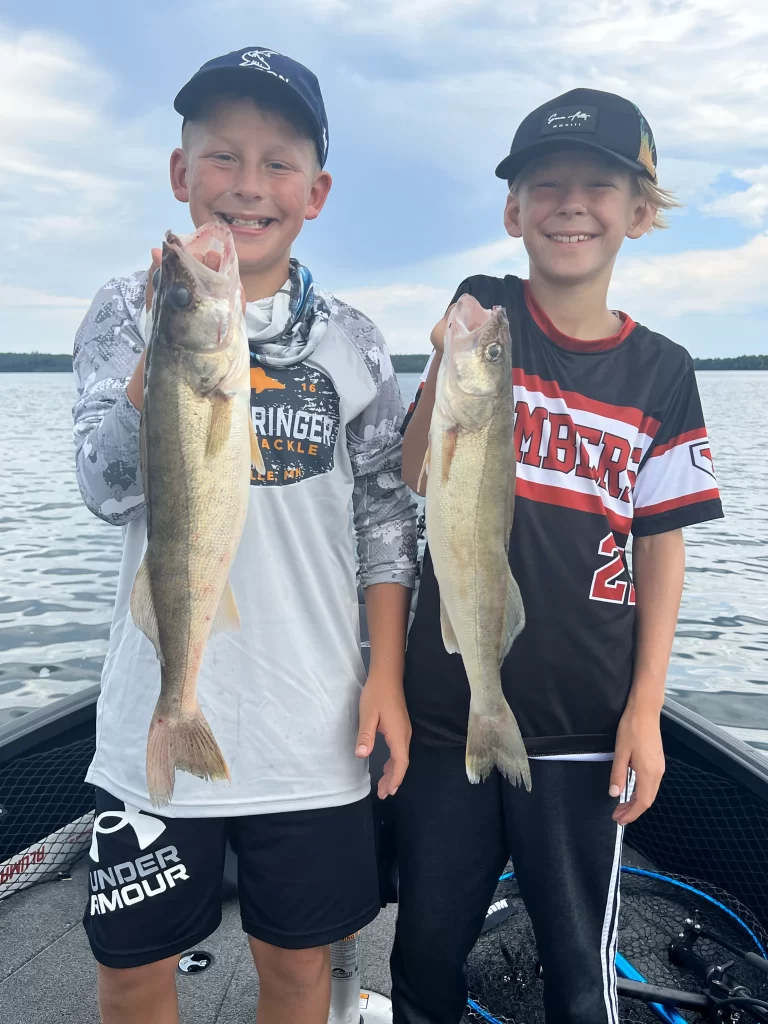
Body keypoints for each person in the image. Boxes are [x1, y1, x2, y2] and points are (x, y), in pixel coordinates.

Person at [72, 47, 417, 1024]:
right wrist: (164, 337)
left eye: (277, 162)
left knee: (300, 970)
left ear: (318, 189)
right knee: (133, 969)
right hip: (157, 713)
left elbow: (387, 518)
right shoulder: (121, 311)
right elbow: (103, 487)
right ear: (182, 175)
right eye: (223, 156)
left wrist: (385, 677)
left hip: (311, 724)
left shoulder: (352, 339)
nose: (248, 185)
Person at [392, 88, 724, 1024]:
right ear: (513, 211)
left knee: (580, 968)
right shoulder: (486, 312)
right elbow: (421, 469)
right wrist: (448, 367)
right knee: (425, 946)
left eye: (598, 186)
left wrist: (647, 712)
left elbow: (662, 551)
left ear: (640, 214)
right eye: (546, 186)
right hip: (450, 705)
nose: (570, 204)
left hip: (587, 717)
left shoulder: (664, 370)